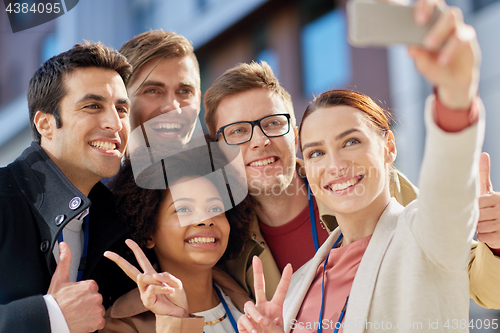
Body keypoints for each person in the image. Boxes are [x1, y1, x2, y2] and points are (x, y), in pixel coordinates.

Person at [237, 1, 490, 332]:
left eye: (351, 142)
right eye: (315, 153)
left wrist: (456, 95)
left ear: (389, 147)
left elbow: (448, 188)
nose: (335, 164)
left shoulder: (424, 234)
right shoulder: (300, 283)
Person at [203, 53, 500, 306]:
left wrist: (496, 244)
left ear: (295, 136)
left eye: (272, 123)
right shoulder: (225, 240)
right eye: (238, 132)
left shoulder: (370, 186)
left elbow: (478, 285)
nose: (260, 141)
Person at [0, 42, 136, 333]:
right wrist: (49, 316)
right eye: (93, 106)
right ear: (45, 124)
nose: (115, 123)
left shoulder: (120, 226)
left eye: (122, 109)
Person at [100, 146, 254, 332]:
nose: (206, 220)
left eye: (215, 208)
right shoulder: (121, 326)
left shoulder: (252, 300)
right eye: (183, 210)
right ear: (148, 231)